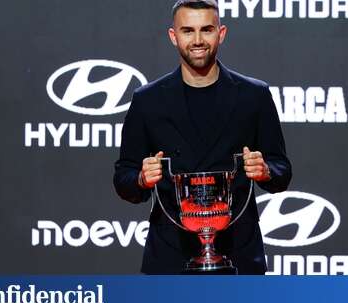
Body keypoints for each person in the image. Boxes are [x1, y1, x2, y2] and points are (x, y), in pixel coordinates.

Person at [113, 0, 292, 275]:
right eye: (188, 31)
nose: (197, 40)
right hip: (169, 259)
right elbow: (124, 178)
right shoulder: (147, 101)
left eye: (206, 30)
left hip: (239, 258)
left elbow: (282, 171)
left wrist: (266, 170)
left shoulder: (253, 96)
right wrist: (140, 178)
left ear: (221, 33)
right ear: (174, 36)